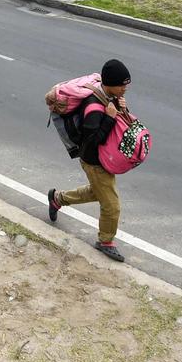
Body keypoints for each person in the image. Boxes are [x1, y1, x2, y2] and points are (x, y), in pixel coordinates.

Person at [47, 59, 133, 262]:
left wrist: (121, 110)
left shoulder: (109, 97)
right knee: (111, 205)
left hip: (102, 159)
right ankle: (106, 241)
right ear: (110, 83)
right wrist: (110, 118)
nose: (125, 88)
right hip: (94, 160)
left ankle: (57, 199)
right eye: (122, 84)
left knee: (98, 192)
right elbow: (91, 141)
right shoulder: (94, 107)